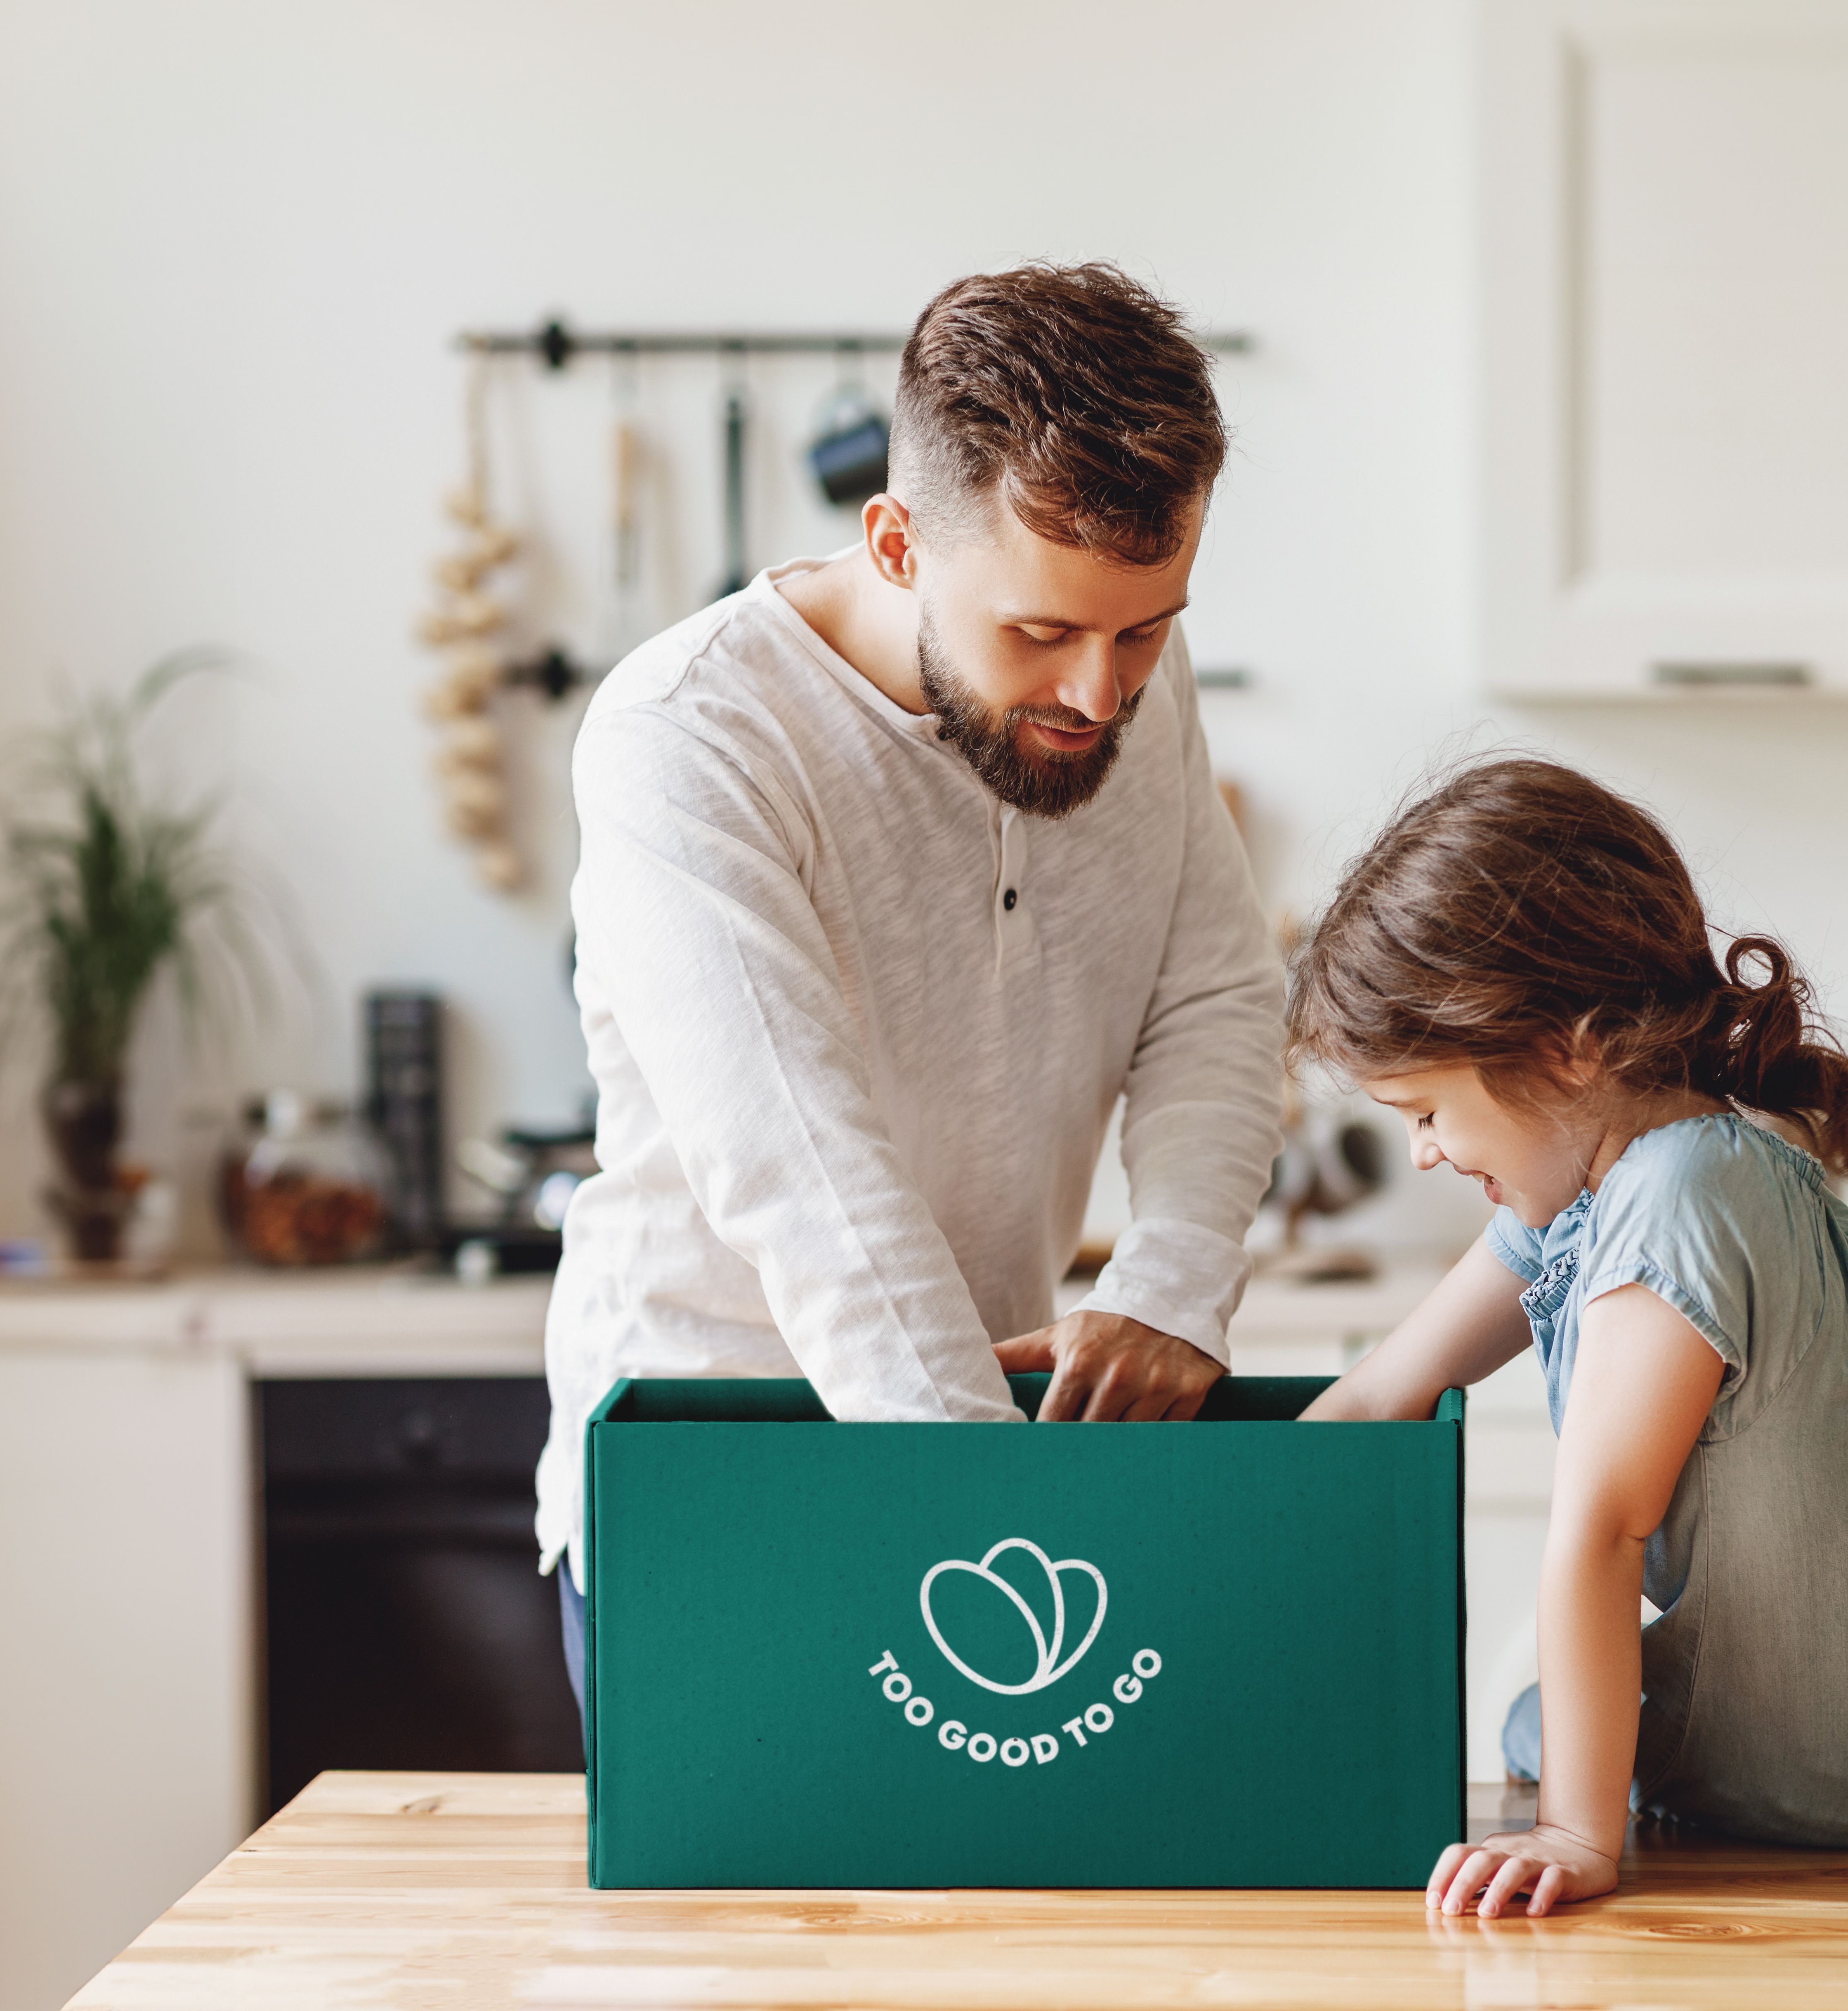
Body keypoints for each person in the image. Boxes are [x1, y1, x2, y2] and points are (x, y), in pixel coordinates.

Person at [534, 265, 1285, 1701]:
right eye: (1041, 634)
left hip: (999, 1457)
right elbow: (802, 1175)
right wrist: (1002, 1517)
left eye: (1148, 627)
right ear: (893, 543)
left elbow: (1214, 1000)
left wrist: (1175, 1284)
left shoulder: (1130, 685)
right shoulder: (686, 738)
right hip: (724, 1483)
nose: (1099, 695)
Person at [1288, 758, 1848, 1918]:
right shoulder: (1622, 1168)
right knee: (1546, 1711)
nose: (1423, 1151)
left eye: (1427, 1111)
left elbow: (1603, 1527)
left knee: (1534, 1724)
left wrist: (1577, 1832)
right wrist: (1202, 1519)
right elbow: (1381, 1394)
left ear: (1561, 1050)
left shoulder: (1677, 1194)